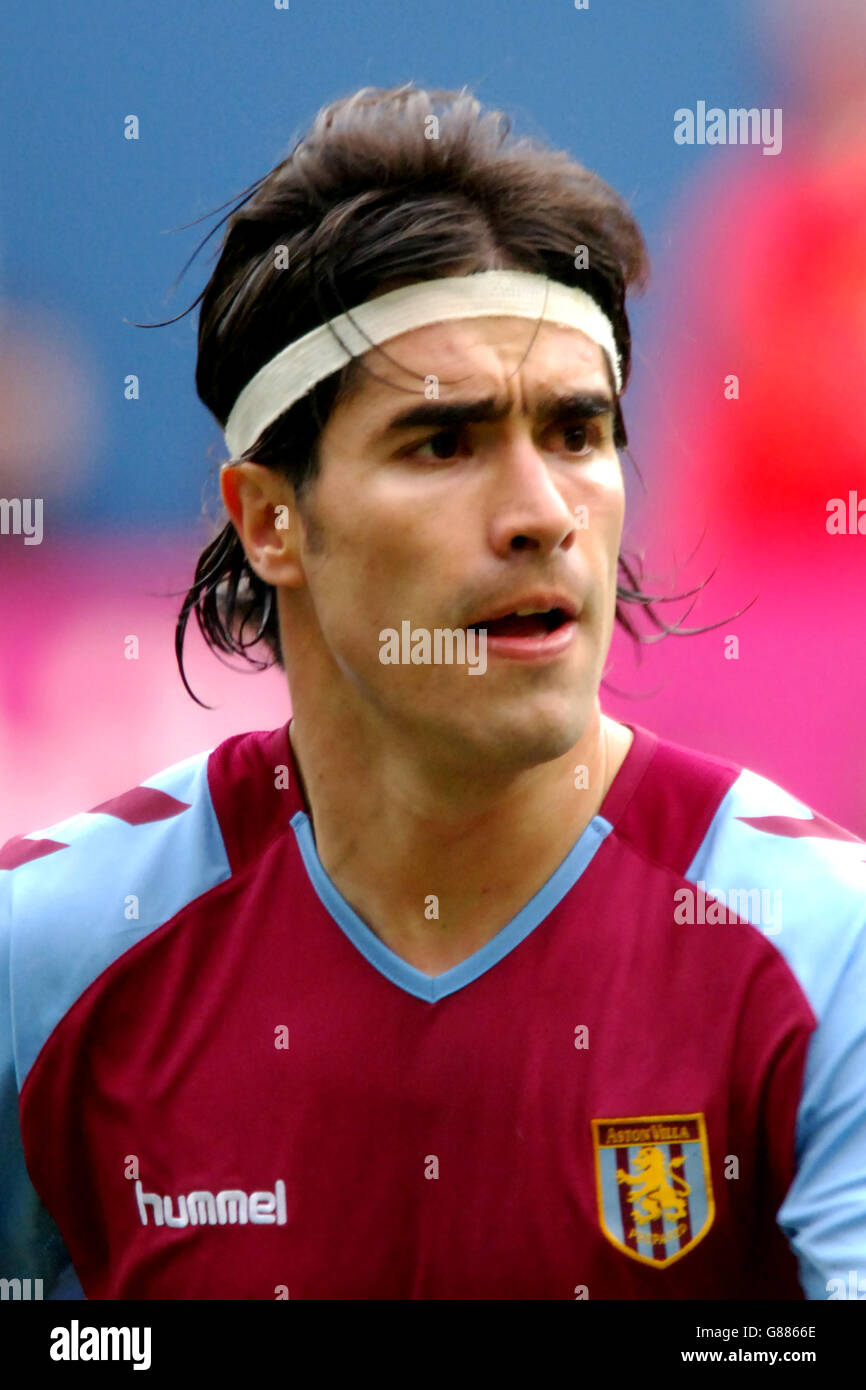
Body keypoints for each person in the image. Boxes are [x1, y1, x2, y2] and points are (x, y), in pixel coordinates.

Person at [1, 84, 863, 1301]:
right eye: (442, 443)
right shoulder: (45, 962)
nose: (542, 515)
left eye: (576, 432)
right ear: (270, 520)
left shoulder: (821, 952)